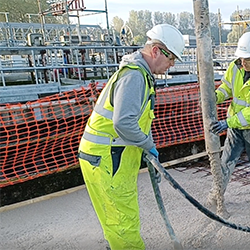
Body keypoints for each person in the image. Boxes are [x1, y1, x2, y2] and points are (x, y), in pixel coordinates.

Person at [77, 24, 184, 250]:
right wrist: (148, 145)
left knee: (115, 222)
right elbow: (123, 122)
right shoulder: (135, 76)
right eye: (171, 58)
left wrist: (148, 152)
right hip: (106, 159)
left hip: (106, 157)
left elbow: (138, 120)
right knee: (124, 225)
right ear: (156, 51)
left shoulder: (139, 74)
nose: (172, 64)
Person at [207, 32, 250, 209]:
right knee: (225, 163)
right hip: (235, 128)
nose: (243, 62)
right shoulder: (236, 66)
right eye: (241, 58)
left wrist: (228, 123)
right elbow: (227, 88)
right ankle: (217, 195)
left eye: (247, 59)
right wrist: (216, 97)